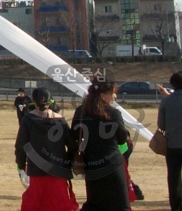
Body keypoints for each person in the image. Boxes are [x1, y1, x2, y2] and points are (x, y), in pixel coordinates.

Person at [15, 87, 78, 211]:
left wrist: (21, 165)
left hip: (36, 170)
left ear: (33, 101)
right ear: (50, 102)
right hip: (58, 170)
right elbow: (72, 145)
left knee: (37, 204)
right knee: (58, 204)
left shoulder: (27, 120)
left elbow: (20, 146)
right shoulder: (60, 120)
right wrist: (68, 163)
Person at [71, 78, 130, 211]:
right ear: (103, 95)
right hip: (112, 163)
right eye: (112, 93)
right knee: (120, 203)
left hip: (91, 163)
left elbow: (74, 135)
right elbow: (122, 139)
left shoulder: (81, 111)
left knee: (95, 202)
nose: (115, 96)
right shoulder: (114, 113)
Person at [158, 71, 182, 211]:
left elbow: (161, 125)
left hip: (172, 145)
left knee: (173, 178)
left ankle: (176, 206)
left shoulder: (166, 101)